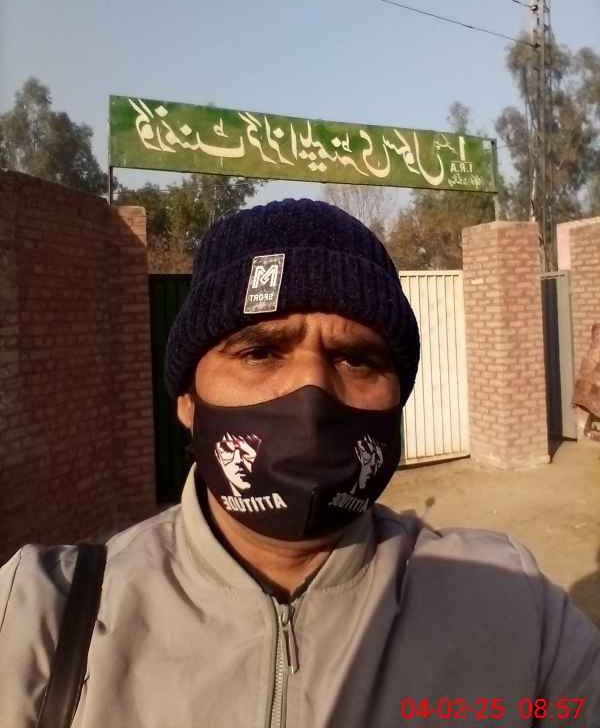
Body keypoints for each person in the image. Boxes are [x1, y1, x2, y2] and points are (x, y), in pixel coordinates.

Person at [1, 198, 599, 727]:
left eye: (357, 360)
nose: (311, 392)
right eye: (260, 352)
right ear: (188, 400)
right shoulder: (45, 616)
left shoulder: (513, 610)